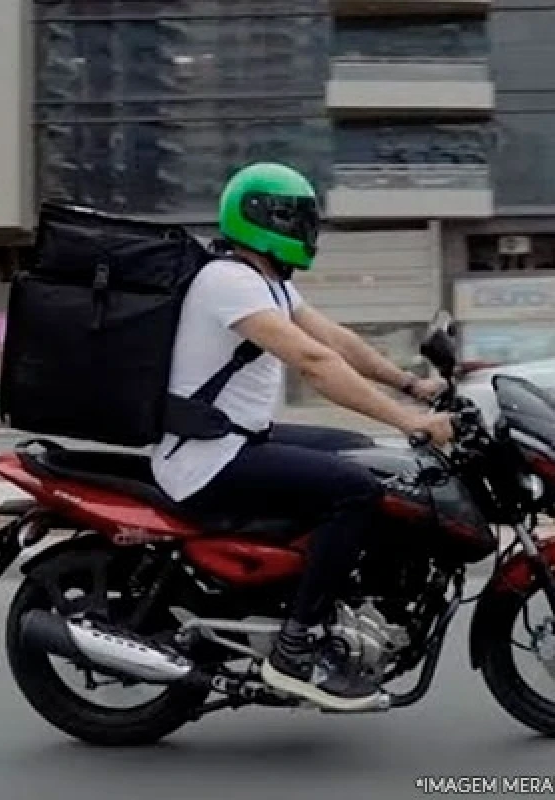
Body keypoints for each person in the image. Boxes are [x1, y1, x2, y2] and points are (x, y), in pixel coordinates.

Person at [151, 162, 453, 712]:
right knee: (356, 490)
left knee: (367, 455)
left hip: (238, 440)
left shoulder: (269, 283)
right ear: (262, 220)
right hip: (207, 460)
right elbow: (315, 362)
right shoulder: (228, 282)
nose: (307, 230)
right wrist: (408, 421)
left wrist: (412, 385)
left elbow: (337, 341)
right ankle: (296, 647)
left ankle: (334, 591)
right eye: (296, 218)